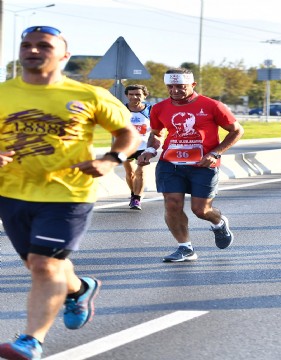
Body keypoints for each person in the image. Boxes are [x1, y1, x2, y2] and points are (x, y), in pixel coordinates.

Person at [0, 26, 140, 360]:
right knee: (39, 266)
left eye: (44, 45)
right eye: (27, 45)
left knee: (44, 265)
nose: (33, 50)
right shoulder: (3, 93)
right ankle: (79, 289)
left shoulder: (89, 95)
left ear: (64, 55)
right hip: (12, 192)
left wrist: (112, 159)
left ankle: (31, 340)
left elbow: (127, 133)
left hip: (68, 193)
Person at [137, 68, 244, 263]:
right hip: (170, 164)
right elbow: (157, 133)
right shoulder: (160, 108)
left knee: (200, 210)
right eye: (171, 86)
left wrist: (215, 153)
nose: (175, 90)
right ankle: (185, 248)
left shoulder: (212, 105)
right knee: (172, 204)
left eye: (180, 86)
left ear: (192, 85)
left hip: (203, 165)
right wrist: (150, 151)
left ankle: (219, 222)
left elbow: (236, 131)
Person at [124, 84, 152, 210]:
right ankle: (133, 194)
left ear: (144, 96)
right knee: (130, 173)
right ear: (126, 95)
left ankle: (137, 199)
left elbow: (159, 129)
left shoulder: (150, 110)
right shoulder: (121, 110)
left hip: (144, 147)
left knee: (140, 171)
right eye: (131, 94)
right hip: (126, 146)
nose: (134, 97)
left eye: (138, 94)